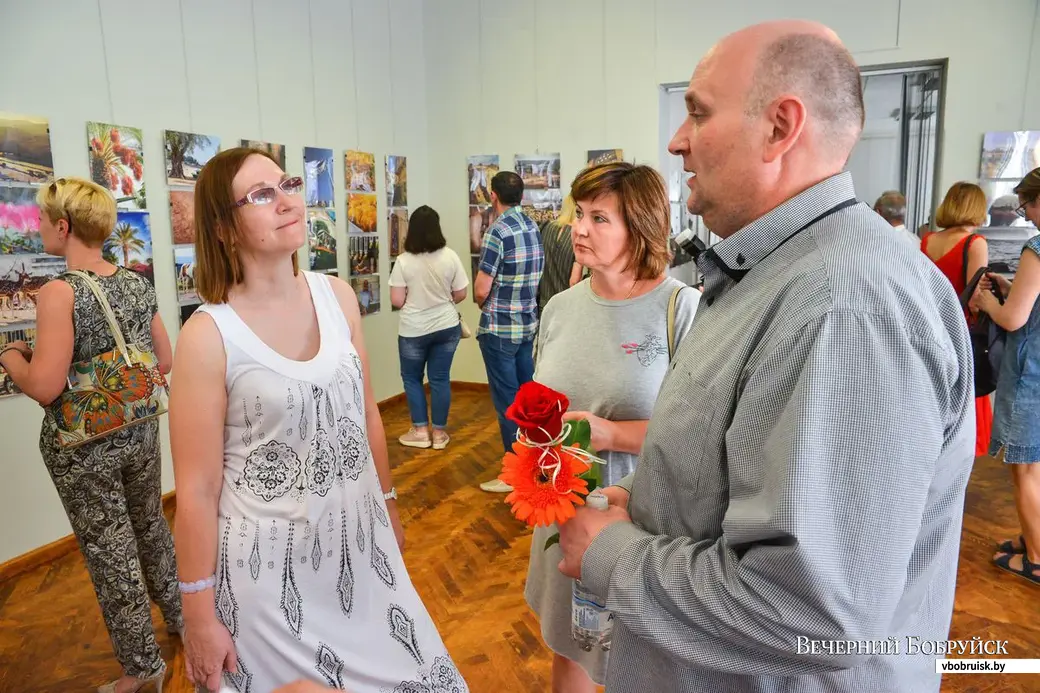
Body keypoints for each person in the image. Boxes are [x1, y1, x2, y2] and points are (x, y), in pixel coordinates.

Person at [557, 20, 975, 693]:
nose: (676, 140)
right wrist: (641, 499)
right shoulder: (772, 274)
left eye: (698, 111)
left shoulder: (844, 307)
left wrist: (612, 554)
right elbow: (727, 463)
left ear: (780, 127)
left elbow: (815, 610)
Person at [170, 148, 467, 693]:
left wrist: (389, 504)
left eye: (286, 184)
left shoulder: (337, 297)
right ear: (223, 228)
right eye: (261, 195)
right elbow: (194, 489)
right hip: (270, 576)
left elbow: (366, 418)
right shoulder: (208, 336)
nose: (285, 200)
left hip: (360, 547)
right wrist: (198, 616)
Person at [0, 177, 181, 693]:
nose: (36, 228)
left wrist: (12, 358)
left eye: (41, 220)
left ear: (63, 227)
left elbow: (46, 385)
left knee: (110, 549)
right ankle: (182, 618)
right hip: (140, 431)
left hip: (84, 450)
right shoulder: (136, 282)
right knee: (149, 527)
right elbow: (163, 361)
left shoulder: (60, 292)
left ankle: (142, 666)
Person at [526, 162, 699, 692]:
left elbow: (697, 435)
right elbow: (540, 403)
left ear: (640, 227)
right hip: (562, 513)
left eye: (599, 218)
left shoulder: (680, 309)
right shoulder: (558, 308)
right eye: (578, 214)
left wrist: (608, 434)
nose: (579, 228)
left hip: (641, 522)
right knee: (570, 650)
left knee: (640, 663)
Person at [971, 166, 1040, 585]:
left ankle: (1036, 558)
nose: (1027, 214)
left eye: (1029, 204)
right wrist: (1012, 284)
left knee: (1025, 469)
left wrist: (986, 302)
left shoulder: (1037, 247)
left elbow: (1014, 319)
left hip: (1031, 372)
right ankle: (1034, 535)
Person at [474, 171, 544, 493]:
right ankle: (536, 465)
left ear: (494, 196)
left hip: (500, 329)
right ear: (522, 195)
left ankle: (514, 474)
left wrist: (484, 301)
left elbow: (480, 289)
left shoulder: (497, 232)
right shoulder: (532, 226)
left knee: (507, 403)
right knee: (527, 400)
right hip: (527, 325)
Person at [388, 205, 469, 450]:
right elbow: (461, 293)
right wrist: (440, 304)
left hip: (413, 329)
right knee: (440, 378)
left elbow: (396, 300)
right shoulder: (450, 256)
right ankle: (440, 435)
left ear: (412, 230)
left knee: (412, 379)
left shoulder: (403, 261)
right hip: (446, 326)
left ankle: (421, 431)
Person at [921, 182, 992, 456]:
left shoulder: (928, 240)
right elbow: (975, 297)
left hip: (930, 324)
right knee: (966, 399)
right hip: (960, 328)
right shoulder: (975, 243)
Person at [536, 195, 584, 316]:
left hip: (543, 304)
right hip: (565, 307)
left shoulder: (546, 227)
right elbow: (574, 281)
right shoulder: (578, 237)